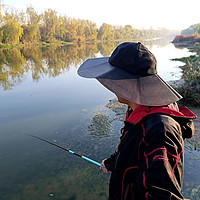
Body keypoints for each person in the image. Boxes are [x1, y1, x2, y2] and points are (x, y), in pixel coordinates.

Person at [77, 42, 197, 200]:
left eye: (115, 77)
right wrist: (112, 163)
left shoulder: (161, 130)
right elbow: (135, 150)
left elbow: (162, 195)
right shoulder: (139, 108)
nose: (112, 84)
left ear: (129, 82)